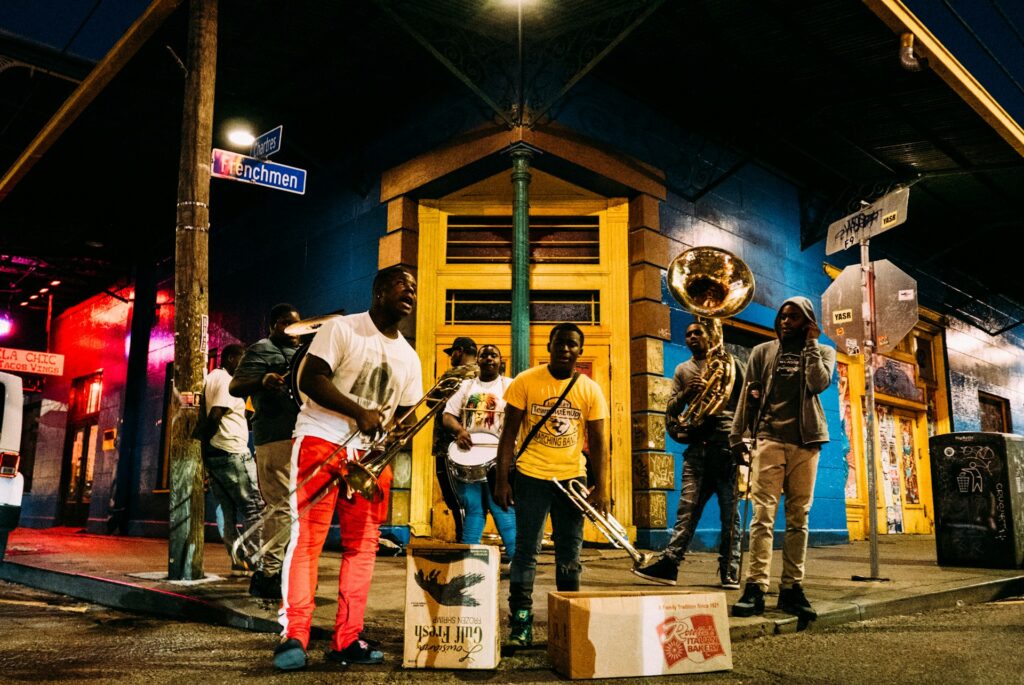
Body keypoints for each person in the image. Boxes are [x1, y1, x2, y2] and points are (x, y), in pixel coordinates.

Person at [273, 265, 422, 671]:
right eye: (401, 284)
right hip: (321, 437)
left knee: (363, 548)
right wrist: (360, 413)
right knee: (307, 540)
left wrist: (396, 437)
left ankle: (347, 638)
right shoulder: (342, 329)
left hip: (370, 457)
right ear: (377, 291)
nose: (409, 291)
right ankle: (295, 634)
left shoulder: (410, 357)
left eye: (414, 288)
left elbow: (404, 415)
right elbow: (312, 379)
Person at [493, 323, 608, 647]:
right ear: (549, 346)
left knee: (570, 554)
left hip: (572, 478)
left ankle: (567, 622)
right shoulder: (526, 381)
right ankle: (520, 622)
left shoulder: (590, 389)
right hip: (532, 476)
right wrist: (503, 479)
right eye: (560, 343)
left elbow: (599, 442)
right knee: (526, 552)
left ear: (579, 351)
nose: (566, 349)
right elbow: (508, 436)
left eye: (572, 344)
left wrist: (601, 487)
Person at [728, 297, 835, 619]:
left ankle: (792, 588)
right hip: (769, 439)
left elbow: (819, 383)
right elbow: (749, 395)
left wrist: (813, 344)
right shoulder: (762, 352)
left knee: (798, 518)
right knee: (762, 516)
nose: (786, 322)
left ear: (808, 322)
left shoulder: (824, 351)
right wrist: (737, 435)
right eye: (783, 317)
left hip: (806, 442)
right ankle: (755, 587)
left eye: (794, 318)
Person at [632, 321, 745, 589]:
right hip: (697, 449)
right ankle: (670, 566)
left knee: (730, 515)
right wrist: (687, 392)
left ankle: (730, 570)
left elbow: (746, 403)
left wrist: (745, 439)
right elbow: (670, 408)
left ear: (710, 336)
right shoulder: (683, 370)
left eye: (698, 333)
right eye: (688, 333)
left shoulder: (733, 364)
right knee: (686, 510)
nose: (692, 337)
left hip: (726, 447)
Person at [229, 303, 302, 599]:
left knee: (294, 509)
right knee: (282, 507)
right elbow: (236, 386)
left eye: (297, 324)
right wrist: (262, 380)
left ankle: (280, 571)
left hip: (301, 436)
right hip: (273, 437)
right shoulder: (262, 349)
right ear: (273, 326)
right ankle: (268, 574)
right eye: (286, 323)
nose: (293, 329)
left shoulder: (301, 353)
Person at [441, 344, 516, 562]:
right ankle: (469, 562)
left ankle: (517, 562)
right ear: (478, 360)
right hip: (469, 454)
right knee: (474, 509)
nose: (489, 358)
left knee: (502, 507)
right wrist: (459, 430)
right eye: (484, 355)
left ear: (500, 361)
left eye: (494, 355)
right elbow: (448, 415)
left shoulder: (509, 386)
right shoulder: (466, 386)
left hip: (498, 457)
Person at [200, 343, 265, 574]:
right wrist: (203, 442)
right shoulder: (227, 381)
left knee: (227, 511)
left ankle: (239, 561)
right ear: (229, 358)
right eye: (241, 360)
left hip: (217, 455)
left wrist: (204, 450)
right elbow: (216, 414)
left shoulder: (211, 378)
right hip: (232, 453)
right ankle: (257, 562)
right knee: (254, 507)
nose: (244, 366)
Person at [431, 336, 477, 541]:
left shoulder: (454, 374)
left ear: (459, 351)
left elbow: (431, 403)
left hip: (448, 444)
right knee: (473, 494)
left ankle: (463, 538)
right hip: (477, 445)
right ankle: (471, 536)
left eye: (452, 353)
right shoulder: (488, 375)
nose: (451, 357)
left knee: (453, 494)